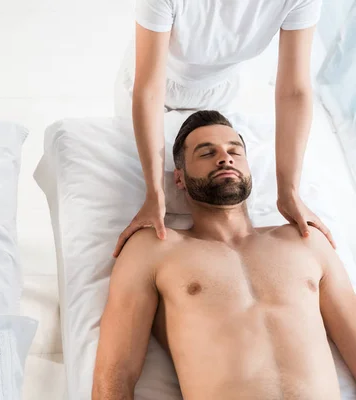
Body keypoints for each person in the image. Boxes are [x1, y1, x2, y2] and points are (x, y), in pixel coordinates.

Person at [93, 111, 356, 399]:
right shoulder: (154, 249)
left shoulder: (306, 240)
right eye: (206, 152)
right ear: (178, 179)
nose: (225, 158)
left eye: (235, 151)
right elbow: (116, 372)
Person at [114, 0, 336, 257]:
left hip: (221, 89)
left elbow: (294, 91)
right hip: (157, 83)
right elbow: (149, 91)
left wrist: (289, 192)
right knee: (135, 167)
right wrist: (155, 193)